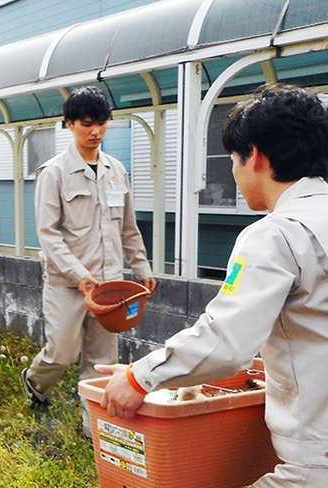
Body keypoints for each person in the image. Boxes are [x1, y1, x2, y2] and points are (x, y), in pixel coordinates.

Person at [98, 84, 328, 486]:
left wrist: (139, 377)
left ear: (254, 156)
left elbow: (226, 343)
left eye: (233, 160)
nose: (234, 173)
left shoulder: (276, 235)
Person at [21, 86, 156, 440]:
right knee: (62, 352)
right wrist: (80, 276)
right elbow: (48, 234)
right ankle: (35, 380)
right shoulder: (53, 173)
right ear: (69, 124)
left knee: (100, 359)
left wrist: (141, 268)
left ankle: (92, 425)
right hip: (67, 283)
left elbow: (128, 227)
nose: (95, 131)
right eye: (86, 123)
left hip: (110, 284)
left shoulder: (116, 170)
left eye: (102, 123)